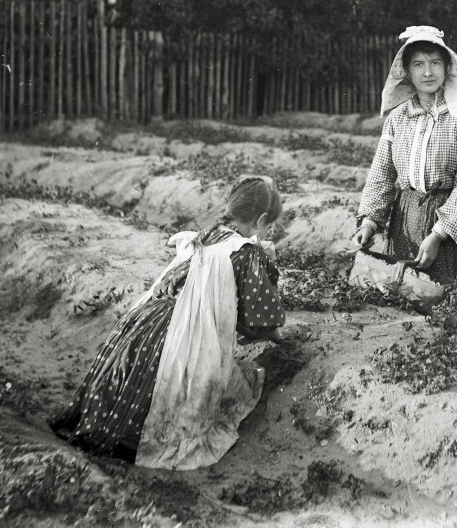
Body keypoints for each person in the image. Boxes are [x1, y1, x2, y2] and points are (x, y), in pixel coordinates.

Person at [50, 176, 294, 469]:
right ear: (261, 220)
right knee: (210, 391)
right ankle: (140, 439)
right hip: (180, 337)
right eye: (269, 227)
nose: (267, 234)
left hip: (143, 324)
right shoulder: (245, 253)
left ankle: (108, 425)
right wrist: (279, 336)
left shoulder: (204, 237)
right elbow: (261, 323)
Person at [353, 25, 457, 313]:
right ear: (406, 71)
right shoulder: (397, 118)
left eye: (435, 63)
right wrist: (369, 223)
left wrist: (439, 234)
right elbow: (381, 174)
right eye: (419, 64)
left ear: (447, 67)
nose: (428, 72)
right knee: (412, 298)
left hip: (454, 226)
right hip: (409, 220)